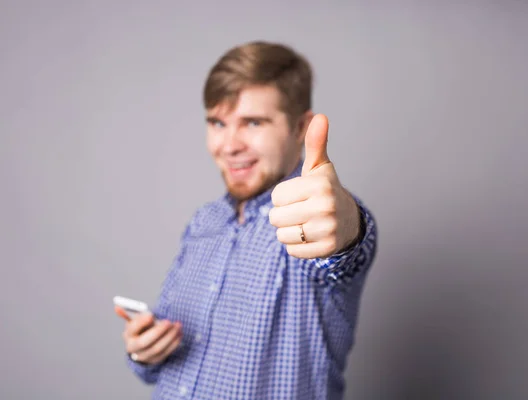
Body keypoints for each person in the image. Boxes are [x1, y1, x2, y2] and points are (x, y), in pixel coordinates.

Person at [114, 40, 378, 400]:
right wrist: (143, 350)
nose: (229, 144)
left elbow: (344, 244)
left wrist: (349, 224)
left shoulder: (314, 221)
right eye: (218, 123)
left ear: (300, 128)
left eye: (252, 122)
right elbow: (159, 361)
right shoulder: (203, 223)